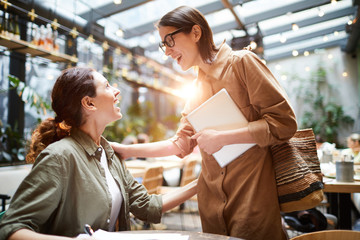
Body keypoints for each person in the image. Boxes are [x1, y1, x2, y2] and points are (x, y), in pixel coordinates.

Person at [110, 6, 297, 239]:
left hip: (252, 198)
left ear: (196, 33)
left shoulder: (242, 64)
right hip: (211, 204)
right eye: (163, 45)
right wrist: (127, 151)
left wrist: (222, 138)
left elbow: (284, 123)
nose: (166, 52)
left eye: (170, 41)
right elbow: (180, 144)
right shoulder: (196, 88)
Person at [0, 67, 197, 240]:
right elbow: (11, 228)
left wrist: (201, 183)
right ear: (89, 103)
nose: (117, 91)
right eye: (108, 86)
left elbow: (146, 206)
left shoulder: (110, 155)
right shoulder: (60, 156)